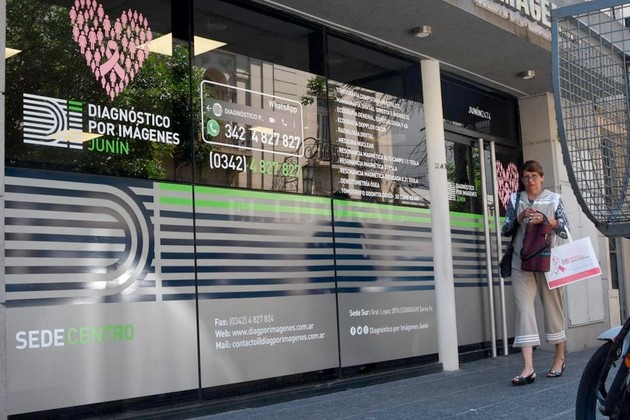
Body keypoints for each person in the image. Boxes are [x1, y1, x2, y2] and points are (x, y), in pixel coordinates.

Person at [502, 160, 570, 386]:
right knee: (524, 309)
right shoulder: (515, 200)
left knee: (553, 307)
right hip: (521, 261)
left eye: (533, 176)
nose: (529, 180)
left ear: (542, 177)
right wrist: (520, 217)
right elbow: (506, 229)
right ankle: (528, 367)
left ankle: (559, 358)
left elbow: (565, 229)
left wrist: (547, 219)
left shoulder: (554, 199)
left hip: (549, 261)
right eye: (525, 177)